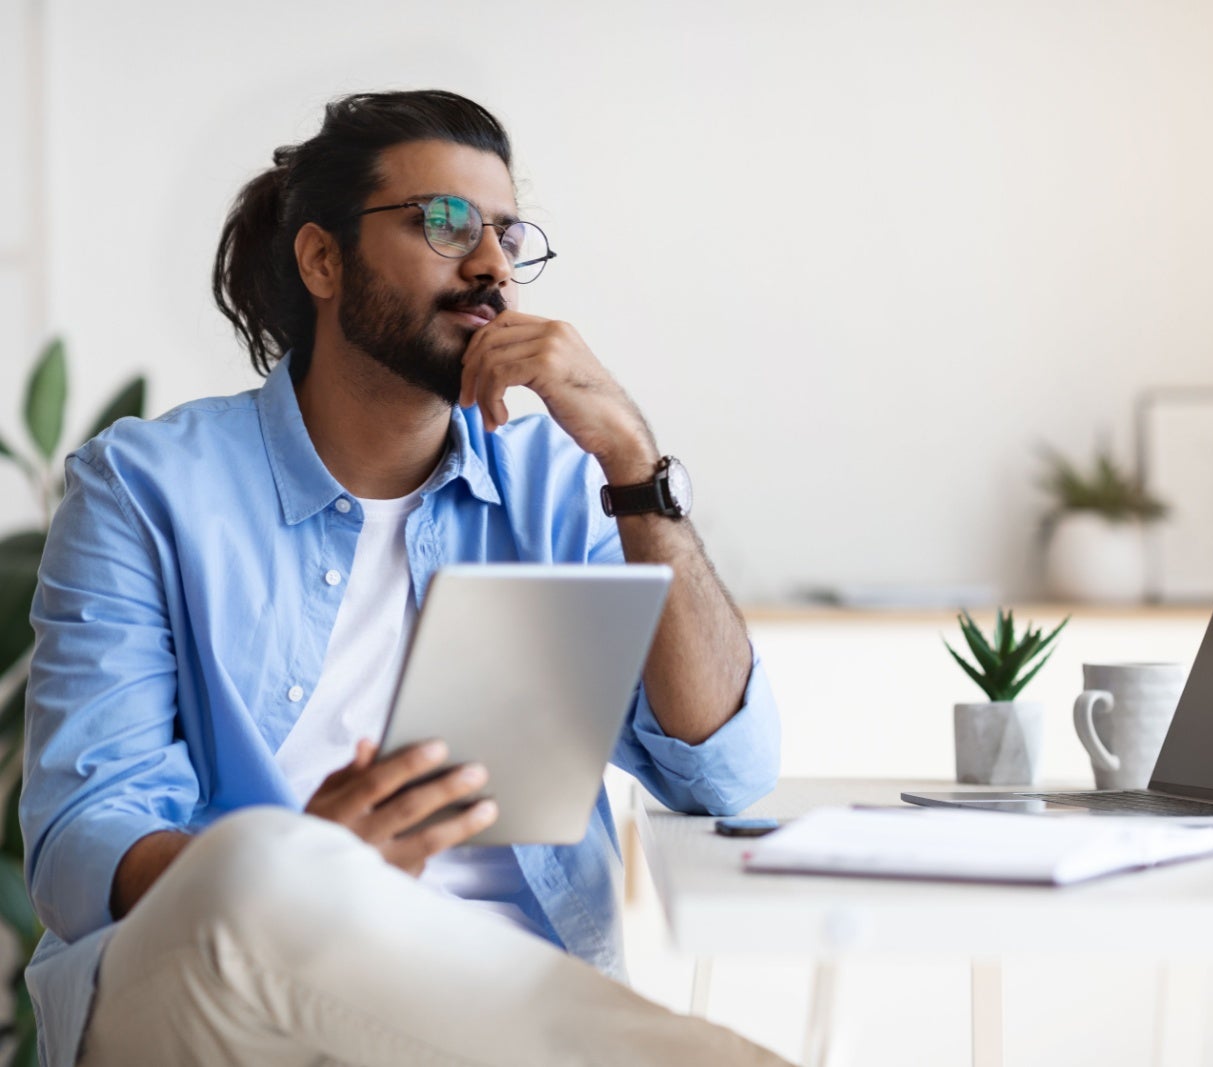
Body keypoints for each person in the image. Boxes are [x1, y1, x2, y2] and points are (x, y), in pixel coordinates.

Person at [21, 89, 787, 1066]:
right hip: (210, 995)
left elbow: (722, 771)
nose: (489, 267)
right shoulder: (146, 487)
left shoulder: (560, 485)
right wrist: (310, 872)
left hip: (491, 997)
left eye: (507, 236)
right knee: (256, 861)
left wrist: (635, 464)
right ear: (322, 259)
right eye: (444, 223)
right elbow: (85, 836)